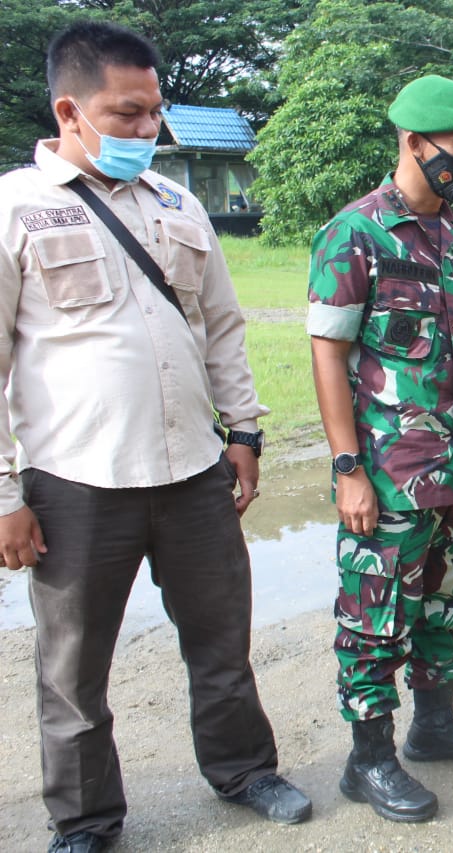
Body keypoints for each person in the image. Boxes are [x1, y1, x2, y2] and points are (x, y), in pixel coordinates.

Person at [0, 20, 311, 853]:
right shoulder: (15, 209)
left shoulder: (179, 204)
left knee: (221, 641)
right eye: (127, 113)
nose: (147, 129)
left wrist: (243, 432)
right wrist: (4, 497)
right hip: (75, 483)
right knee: (72, 674)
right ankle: (87, 821)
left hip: (193, 473)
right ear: (71, 109)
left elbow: (221, 328)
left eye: (154, 111)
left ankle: (245, 769)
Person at [307, 73, 453, 824]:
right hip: (389, 477)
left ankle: (435, 724)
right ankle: (367, 760)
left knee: (446, 598)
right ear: (413, 142)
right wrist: (348, 470)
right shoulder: (354, 235)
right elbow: (327, 354)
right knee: (374, 615)